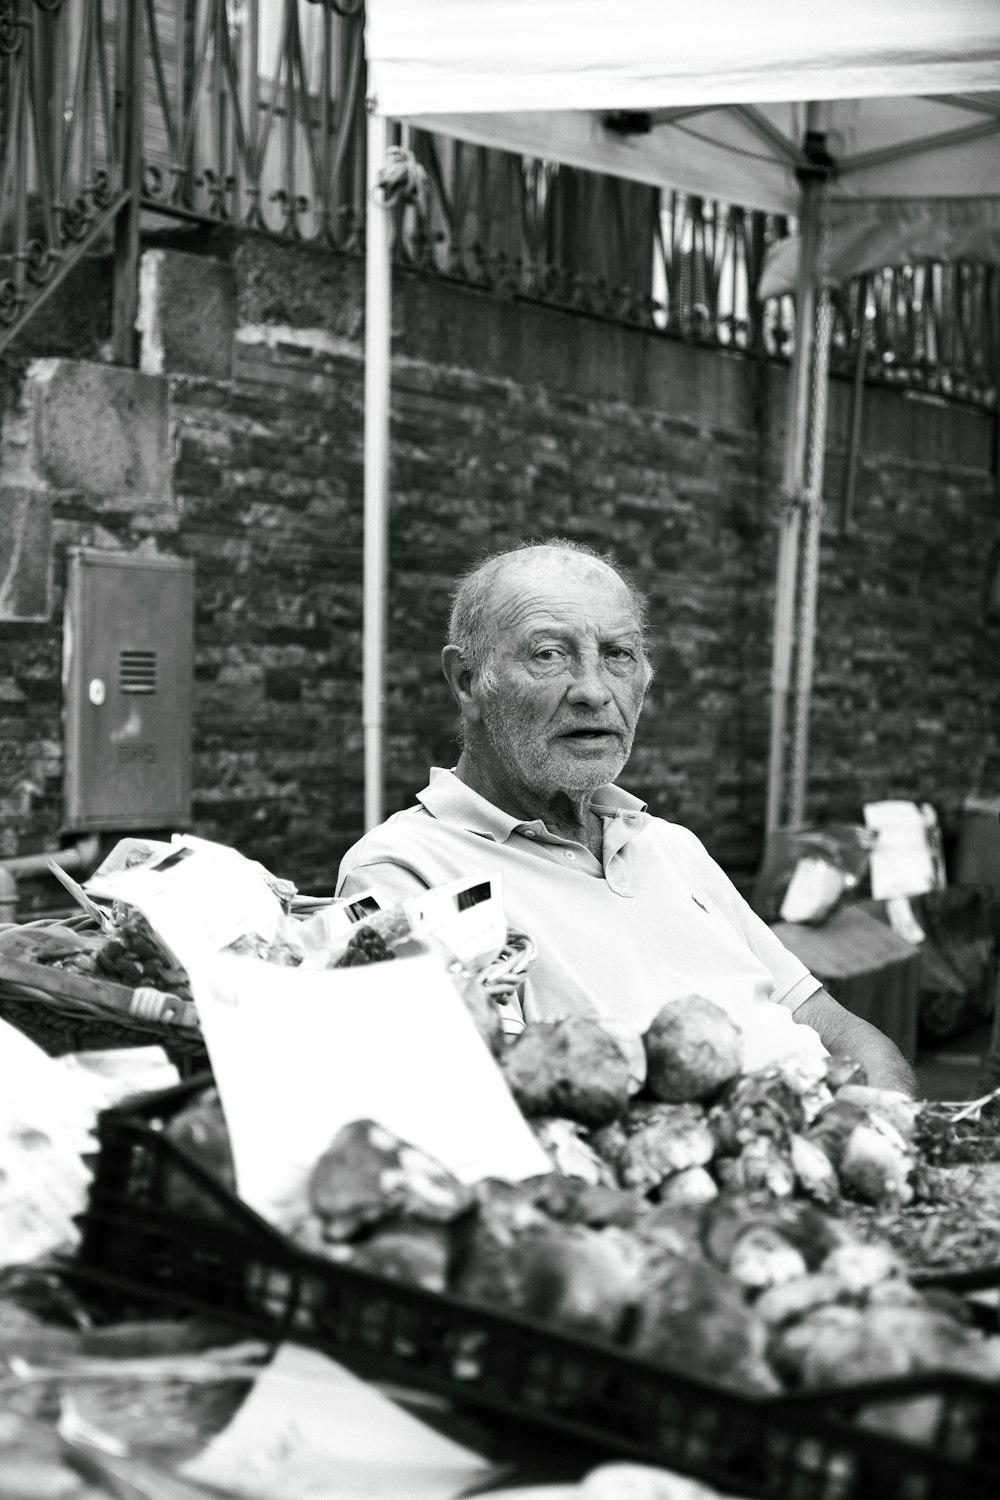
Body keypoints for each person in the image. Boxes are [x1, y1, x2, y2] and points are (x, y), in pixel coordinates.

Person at [337, 539, 918, 1096]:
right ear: (468, 682)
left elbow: (832, 1026)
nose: (593, 690)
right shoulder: (405, 871)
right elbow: (489, 1113)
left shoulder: (669, 845)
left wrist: (893, 1124)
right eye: (548, 654)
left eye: (617, 655)